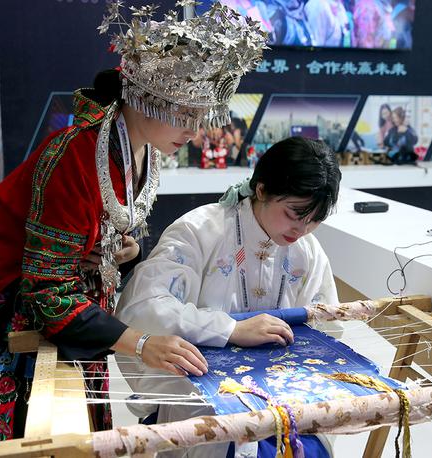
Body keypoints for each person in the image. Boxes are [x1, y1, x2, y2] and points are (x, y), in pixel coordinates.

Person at [0, 0, 266, 443]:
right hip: (20, 301)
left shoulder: (142, 149)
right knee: (43, 438)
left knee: (91, 425)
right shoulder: (76, 155)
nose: (197, 130)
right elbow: (47, 292)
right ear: (149, 98)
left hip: (80, 296)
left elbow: (104, 235)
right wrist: (142, 343)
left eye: (203, 115)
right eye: (187, 113)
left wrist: (123, 252)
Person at [115, 136, 342, 457]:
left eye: (315, 220)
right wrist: (231, 329)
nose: (302, 230)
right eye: (294, 214)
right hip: (202, 398)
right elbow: (144, 308)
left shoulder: (308, 251)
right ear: (261, 190)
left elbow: (326, 325)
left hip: (281, 399)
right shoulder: (199, 231)